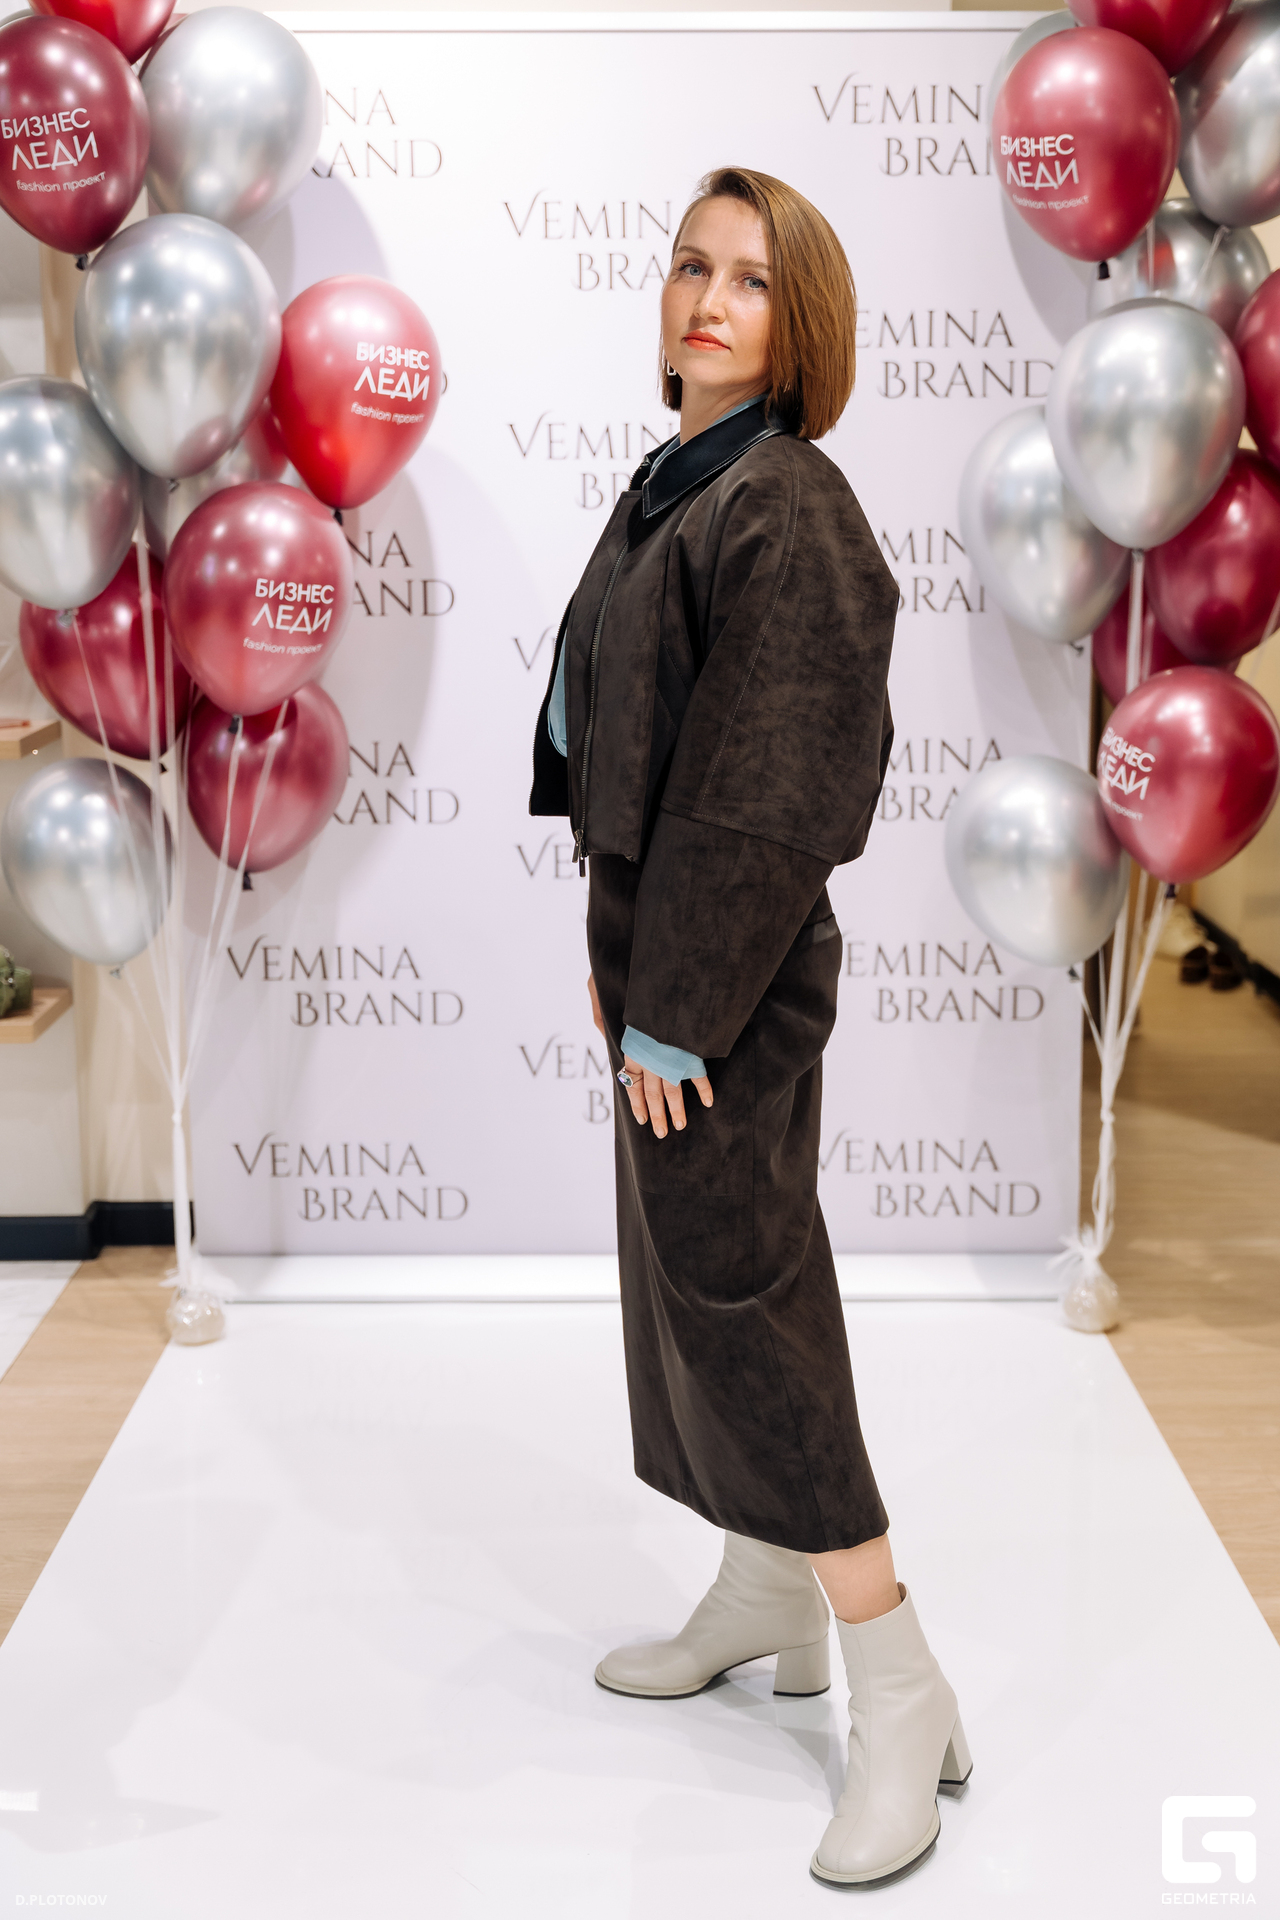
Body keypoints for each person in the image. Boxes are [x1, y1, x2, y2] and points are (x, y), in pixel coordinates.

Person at [529, 166, 970, 1889]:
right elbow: (628, 740)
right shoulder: (676, 482)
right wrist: (623, 960)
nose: (709, 299)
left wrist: (682, 1009)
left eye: (751, 279)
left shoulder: (792, 505)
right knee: (688, 1281)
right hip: (663, 965)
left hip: (728, 982)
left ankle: (902, 1688)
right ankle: (763, 1587)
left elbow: (775, 789)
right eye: (689, 266)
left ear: (803, 324)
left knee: (746, 1295)